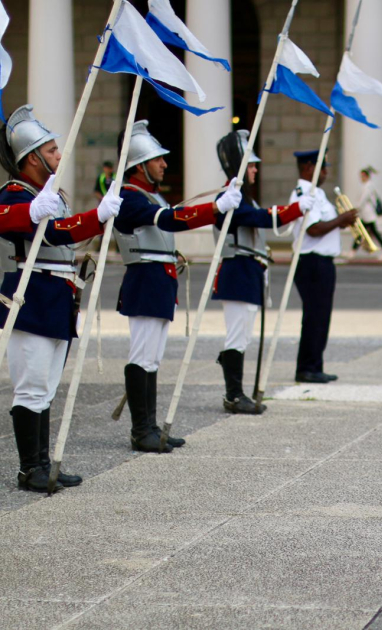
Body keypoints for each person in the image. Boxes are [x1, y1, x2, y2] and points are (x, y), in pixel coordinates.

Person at [0, 105, 123, 493]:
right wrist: (91, 218)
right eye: (52, 150)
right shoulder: (16, 193)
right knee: (31, 386)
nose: (59, 155)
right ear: (31, 157)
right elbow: (32, 226)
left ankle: (42, 463)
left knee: (47, 387)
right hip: (30, 300)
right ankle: (29, 469)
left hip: (57, 300)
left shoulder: (48, 194)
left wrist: (92, 218)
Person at [115, 121, 242, 453]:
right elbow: (169, 219)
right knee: (142, 356)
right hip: (144, 282)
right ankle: (140, 429)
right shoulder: (129, 198)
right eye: (157, 159)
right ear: (139, 165)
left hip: (158, 282)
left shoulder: (149, 195)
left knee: (153, 359)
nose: (164, 164)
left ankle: (150, 427)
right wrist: (214, 208)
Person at [212, 130, 311, 414]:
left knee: (243, 336)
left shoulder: (244, 198)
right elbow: (255, 218)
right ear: (238, 167)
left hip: (248, 271)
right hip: (237, 270)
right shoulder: (229, 198)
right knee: (236, 336)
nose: (256, 169)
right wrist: (292, 210)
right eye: (251, 165)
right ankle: (233, 394)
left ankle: (236, 391)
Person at [289, 149, 358, 384]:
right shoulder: (302, 193)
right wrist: (342, 219)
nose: (327, 172)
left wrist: (340, 221)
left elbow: (323, 224)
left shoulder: (317, 193)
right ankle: (307, 368)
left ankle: (315, 365)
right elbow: (313, 228)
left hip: (323, 262)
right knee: (314, 316)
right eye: (323, 167)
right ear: (309, 167)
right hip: (311, 261)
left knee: (321, 316)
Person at [351, 166, 382, 259]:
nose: (361, 178)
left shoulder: (369, 186)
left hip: (368, 214)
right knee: (362, 232)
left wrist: (356, 209)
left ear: (367, 176)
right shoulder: (367, 186)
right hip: (365, 214)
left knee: (368, 232)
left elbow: (363, 199)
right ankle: (352, 251)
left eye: (363, 176)